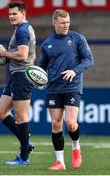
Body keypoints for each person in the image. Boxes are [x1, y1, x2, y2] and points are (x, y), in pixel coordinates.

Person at [38, 9, 94, 170]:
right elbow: (41, 67)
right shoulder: (47, 43)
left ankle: (76, 147)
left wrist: (74, 71)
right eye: (62, 22)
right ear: (54, 22)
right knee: (56, 123)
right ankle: (60, 162)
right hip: (53, 88)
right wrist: (35, 76)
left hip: (72, 86)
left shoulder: (77, 38)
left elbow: (89, 60)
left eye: (68, 22)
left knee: (70, 123)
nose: (66, 25)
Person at [0, 1, 36, 165]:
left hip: (21, 77)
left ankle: (24, 157)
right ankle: (26, 143)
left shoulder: (22, 30)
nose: (11, 16)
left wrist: (4, 53)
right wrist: (7, 56)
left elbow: (23, 56)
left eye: (14, 13)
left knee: (21, 117)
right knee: (0, 112)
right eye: (9, 14)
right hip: (16, 75)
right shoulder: (24, 28)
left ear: (23, 14)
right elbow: (32, 56)